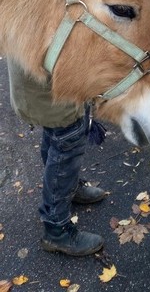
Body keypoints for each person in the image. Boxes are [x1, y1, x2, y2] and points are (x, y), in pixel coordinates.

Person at [7, 58, 106, 256]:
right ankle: (56, 229)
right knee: (66, 145)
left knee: (56, 137)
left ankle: (68, 189)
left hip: (46, 85)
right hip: (52, 88)